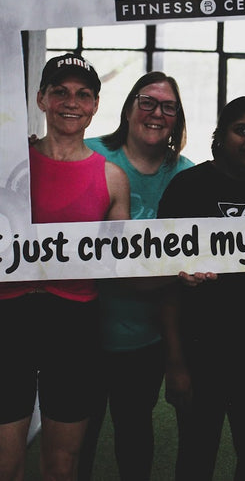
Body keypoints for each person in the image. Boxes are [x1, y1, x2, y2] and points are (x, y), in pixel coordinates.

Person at [0, 53, 130, 481]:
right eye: (60, 91)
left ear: (94, 105)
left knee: (62, 464)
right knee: (5, 462)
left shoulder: (111, 178)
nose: (71, 102)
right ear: (41, 99)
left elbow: (123, 258)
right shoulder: (7, 167)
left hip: (74, 320)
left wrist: (186, 263)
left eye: (83, 94)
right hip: (8, 316)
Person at [157, 96, 245, 481]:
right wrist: (176, 362)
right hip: (202, 358)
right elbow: (166, 283)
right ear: (221, 135)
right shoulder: (188, 187)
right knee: (196, 460)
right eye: (243, 130)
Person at [78, 71, 194, 481]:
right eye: (147, 102)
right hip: (82, 327)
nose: (156, 113)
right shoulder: (87, 155)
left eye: (168, 107)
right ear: (128, 109)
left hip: (146, 334)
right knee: (77, 441)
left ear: (177, 119)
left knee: (134, 435)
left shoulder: (186, 175)